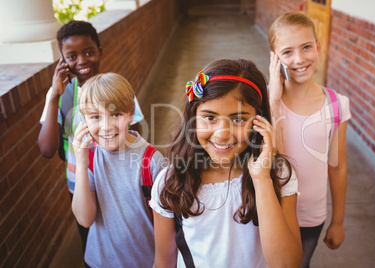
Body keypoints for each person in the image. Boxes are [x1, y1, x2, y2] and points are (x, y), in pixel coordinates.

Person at [150, 59, 303, 267]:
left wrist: (261, 179)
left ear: (259, 122)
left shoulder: (278, 174)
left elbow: (286, 264)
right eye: (210, 118)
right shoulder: (171, 181)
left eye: (238, 119)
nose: (222, 135)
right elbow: (164, 261)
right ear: (193, 119)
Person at [37, 20, 144, 252]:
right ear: (62, 61)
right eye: (71, 56)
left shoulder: (118, 89)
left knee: (126, 240)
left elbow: (137, 135)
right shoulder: (61, 96)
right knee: (92, 242)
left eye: (88, 52)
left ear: (99, 52)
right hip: (81, 185)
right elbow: (47, 149)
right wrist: (53, 97)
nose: (82, 61)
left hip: (119, 182)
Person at [267, 12, 351, 268]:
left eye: (306, 47)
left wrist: (338, 221)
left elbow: (337, 167)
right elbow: (272, 155)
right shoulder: (265, 101)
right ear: (275, 57)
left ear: (318, 46)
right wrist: (273, 101)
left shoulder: (337, 105)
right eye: (288, 52)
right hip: (271, 212)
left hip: (312, 216)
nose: (300, 59)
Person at [72, 72, 164, 267]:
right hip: (100, 261)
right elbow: (85, 219)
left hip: (145, 262)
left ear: (130, 114)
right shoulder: (88, 157)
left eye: (116, 114)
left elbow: (168, 225)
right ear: (85, 121)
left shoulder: (151, 161)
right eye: (95, 116)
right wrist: (80, 164)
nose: (106, 126)